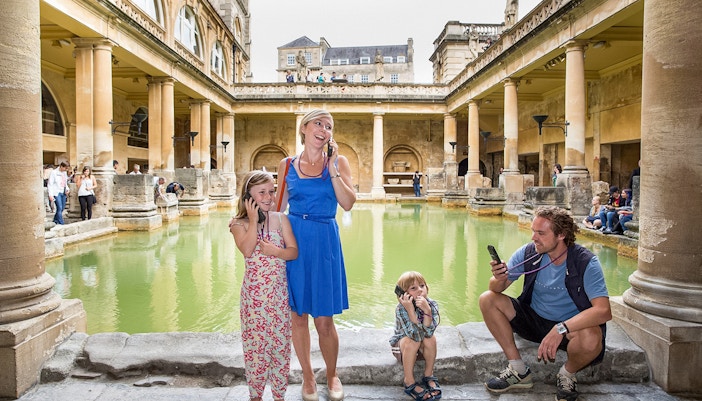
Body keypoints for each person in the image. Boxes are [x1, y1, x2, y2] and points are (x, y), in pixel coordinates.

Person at [479, 206, 611, 401]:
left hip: (569, 328)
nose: (534, 237)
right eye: (533, 231)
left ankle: (567, 374)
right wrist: (499, 277)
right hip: (534, 319)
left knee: (592, 337)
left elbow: (603, 311)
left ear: (561, 235)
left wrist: (561, 329)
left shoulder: (586, 262)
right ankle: (518, 370)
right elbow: (496, 289)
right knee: (487, 299)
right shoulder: (529, 253)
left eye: (540, 233)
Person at [276, 109, 356, 401]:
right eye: (318, 124)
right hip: (294, 240)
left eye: (329, 126)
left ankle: (332, 375)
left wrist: (332, 166)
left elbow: (347, 203)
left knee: (324, 321)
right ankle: (308, 377)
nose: (324, 129)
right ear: (304, 128)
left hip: (324, 242)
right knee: (298, 317)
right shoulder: (286, 164)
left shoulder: (339, 162)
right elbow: (277, 208)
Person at [229, 170, 299, 401]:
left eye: (271, 191)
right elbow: (247, 249)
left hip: (278, 297)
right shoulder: (238, 224)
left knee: (280, 348)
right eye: (262, 193)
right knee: (256, 350)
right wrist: (251, 220)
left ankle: (279, 395)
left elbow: (293, 252)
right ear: (248, 197)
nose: (269, 197)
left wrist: (275, 251)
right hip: (254, 301)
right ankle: (256, 395)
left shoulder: (281, 219)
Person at [390, 271, 441, 401]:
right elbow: (414, 336)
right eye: (413, 288)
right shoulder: (401, 309)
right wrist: (411, 311)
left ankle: (428, 374)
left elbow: (428, 333)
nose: (420, 290)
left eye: (422, 286)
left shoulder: (432, 305)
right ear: (403, 294)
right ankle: (409, 381)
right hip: (403, 347)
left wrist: (427, 311)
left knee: (431, 339)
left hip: (421, 346)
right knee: (412, 341)